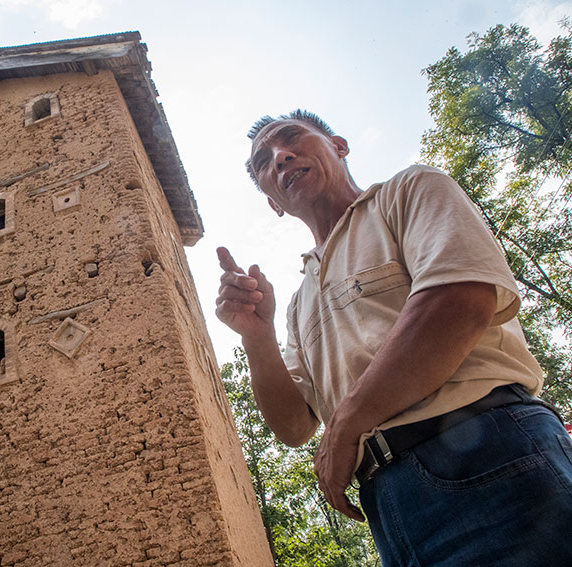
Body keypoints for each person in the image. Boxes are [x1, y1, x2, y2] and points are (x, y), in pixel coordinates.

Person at [216, 109, 572, 565]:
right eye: (264, 162)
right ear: (273, 202)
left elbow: (460, 302)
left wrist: (347, 424)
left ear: (339, 146)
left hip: (488, 453)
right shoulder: (299, 302)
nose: (280, 157)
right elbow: (293, 427)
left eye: (292, 140)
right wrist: (256, 335)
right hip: (387, 502)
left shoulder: (407, 192)